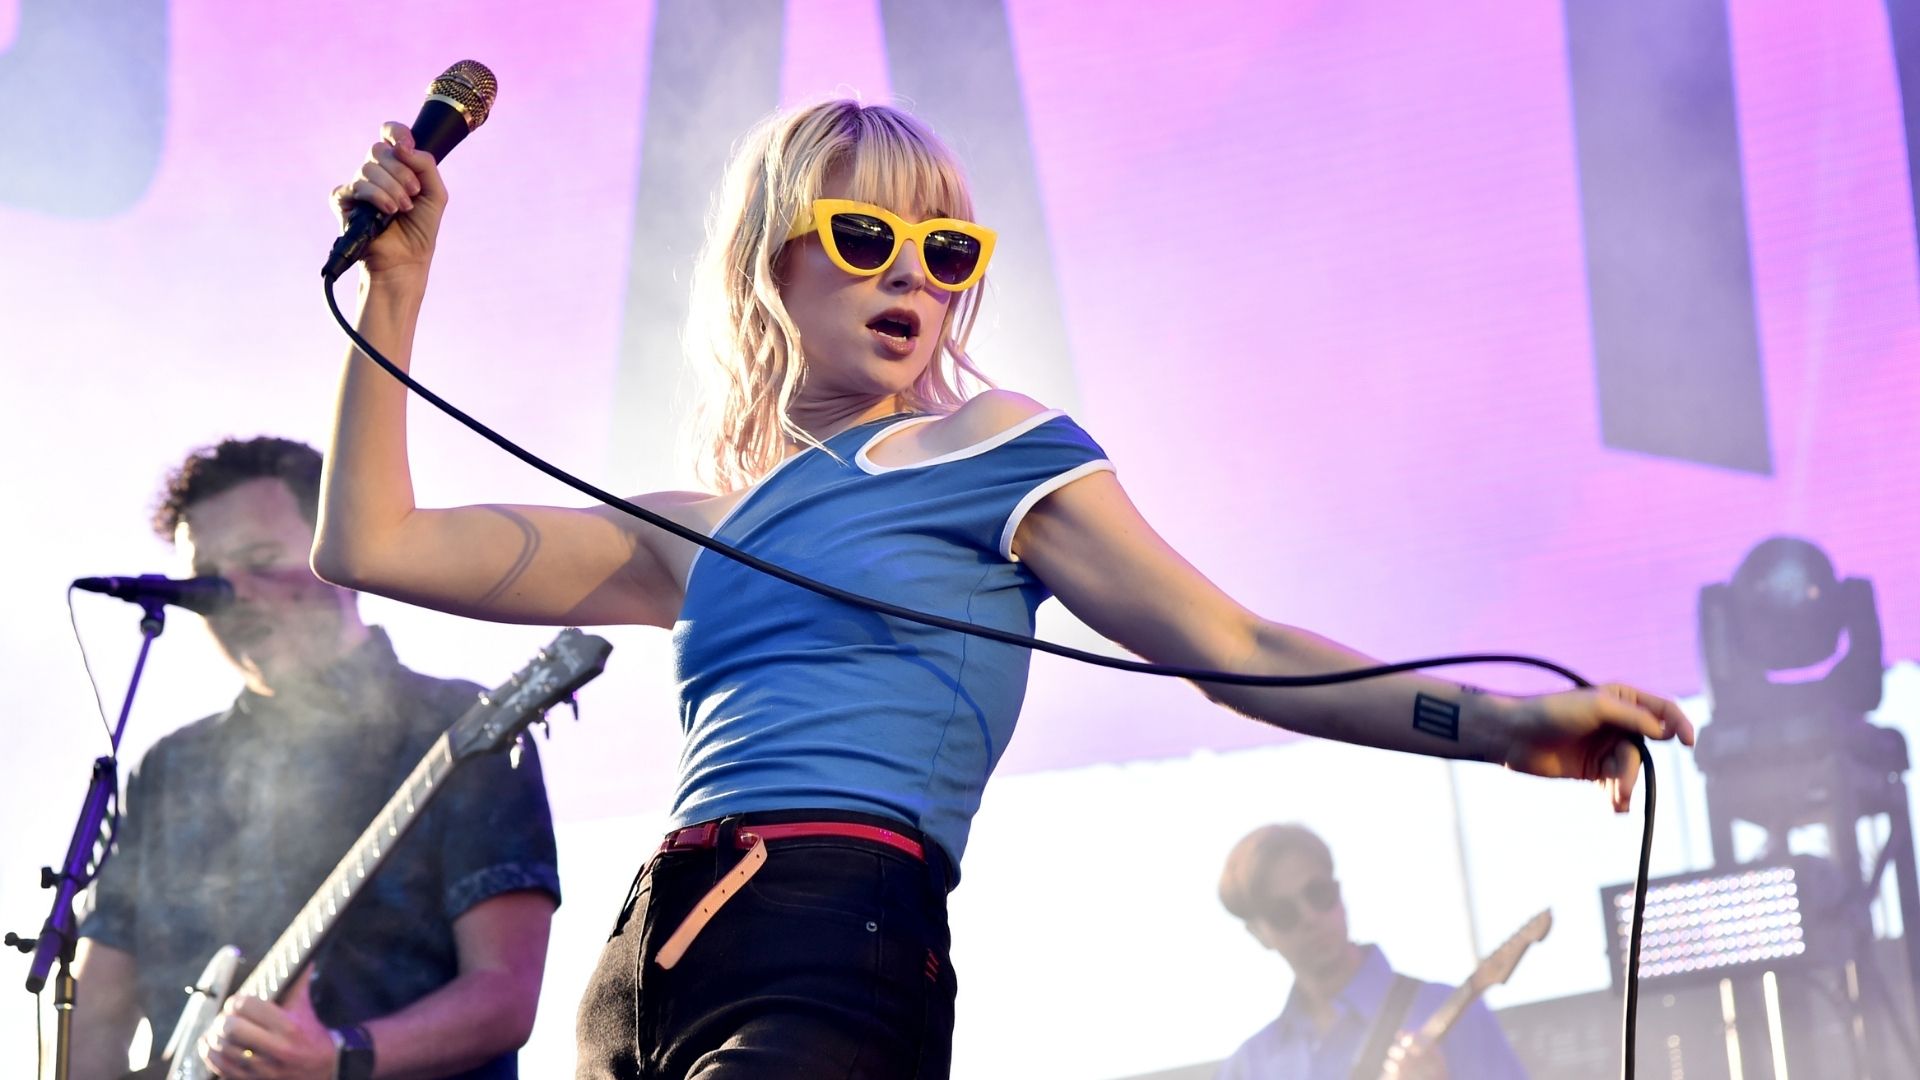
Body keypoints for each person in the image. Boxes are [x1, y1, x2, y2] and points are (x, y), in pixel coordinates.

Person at [313, 99, 1694, 1078]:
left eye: (947, 252)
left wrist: (1504, 728)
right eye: (864, 237)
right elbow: (370, 544)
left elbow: (1235, 643)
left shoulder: (993, 450)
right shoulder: (694, 526)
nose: (910, 274)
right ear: (771, 254)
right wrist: (400, 287)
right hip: (642, 962)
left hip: (834, 927)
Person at [71, 437, 561, 1080]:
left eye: (261, 559)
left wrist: (341, 1056)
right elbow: (98, 1007)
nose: (232, 593)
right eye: (210, 575)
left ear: (340, 560)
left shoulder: (459, 727)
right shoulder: (170, 767)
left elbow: (504, 993)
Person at [1216, 824, 1528, 1080]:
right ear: (1258, 934)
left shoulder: (1452, 1011)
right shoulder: (1246, 1068)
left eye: (1318, 893)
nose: (1310, 916)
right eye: (1283, 913)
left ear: (1338, 890)